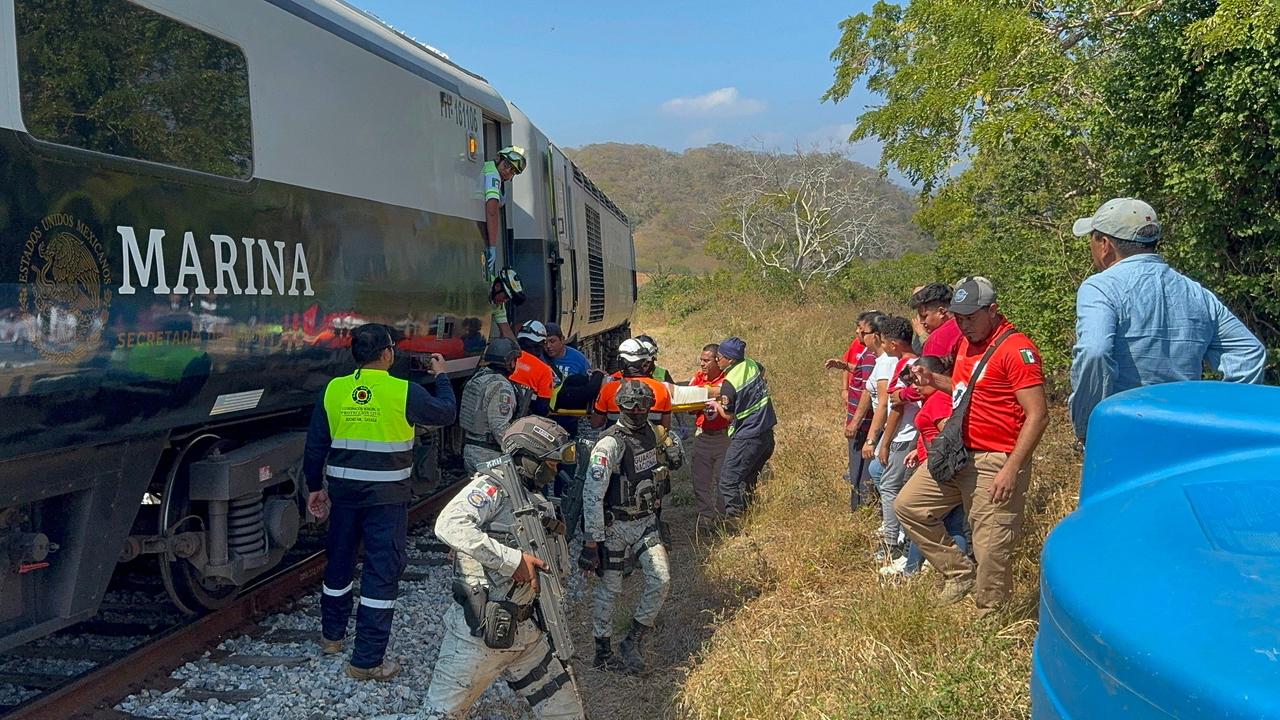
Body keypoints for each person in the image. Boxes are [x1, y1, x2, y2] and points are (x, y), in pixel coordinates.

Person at [302, 323, 456, 680]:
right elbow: (446, 413)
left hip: (343, 494)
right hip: (386, 499)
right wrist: (443, 376)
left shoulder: (334, 390)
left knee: (338, 562)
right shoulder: (404, 392)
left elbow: (315, 447)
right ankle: (367, 660)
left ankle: (332, 637)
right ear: (387, 354)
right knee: (381, 570)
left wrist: (314, 487)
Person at [896, 277, 1049, 610]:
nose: (963, 325)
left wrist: (1012, 468)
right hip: (960, 453)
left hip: (997, 458)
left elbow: (1038, 415)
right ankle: (959, 573)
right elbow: (968, 392)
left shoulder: (1016, 350)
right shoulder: (966, 344)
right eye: (959, 317)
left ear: (992, 311)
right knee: (909, 506)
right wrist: (933, 380)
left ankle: (991, 618)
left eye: (970, 317)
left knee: (991, 546)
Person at [424, 417, 585, 718]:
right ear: (529, 458)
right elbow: (449, 524)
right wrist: (512, 562)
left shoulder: (532, 495)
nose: (555, 470)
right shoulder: (492, 486)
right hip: (481, 633)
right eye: (550, 462)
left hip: (526, 632)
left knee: (565, 712)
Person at [1069, 197, 1266, 440]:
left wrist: (1089, 426)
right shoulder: (1195, 292)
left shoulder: (1100, 288)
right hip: (1184, 432)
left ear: (1105, 244)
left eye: (1092, 238)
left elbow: (1094, 352)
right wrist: (1227, 420)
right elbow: (1249, 352)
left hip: (1124, 433)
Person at [579, 380, 682, 673]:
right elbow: (592, 492)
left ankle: (633, 638)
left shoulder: (655, 434)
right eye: (630, 406)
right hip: (615, 527)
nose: (636, 411)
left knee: (660, 580)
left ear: (650, 407)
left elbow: (671, 460)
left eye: (642, 406)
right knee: (610, 590)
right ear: (618, 407)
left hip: (646, 522)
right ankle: (602, 651)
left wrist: (674, 455)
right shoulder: (610, 444)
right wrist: (591, 543)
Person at [899, 356, 969, 576]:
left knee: (932, 520)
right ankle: (919, 569)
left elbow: (947, 437)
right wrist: (917, 450)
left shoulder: (939, 400)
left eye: (918, 381)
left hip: (941, 471)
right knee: (943, 522)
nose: (914, 386)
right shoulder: (936, 399)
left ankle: (953, 573)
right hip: (936, 465)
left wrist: (933, 460)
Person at [707, 337, 777, 519]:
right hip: (767, 434)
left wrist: (717, 406)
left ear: (730, 360)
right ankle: (750, 515)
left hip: (748, 436)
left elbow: (729, 416)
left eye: (719, 357)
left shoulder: (729, 384)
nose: (716, 360)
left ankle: (735, 521)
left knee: (728, 480)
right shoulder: (751, 364)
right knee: (748, 478)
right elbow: (762, 371)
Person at [871, 316, 920, 572]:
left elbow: (897, 408)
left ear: (891, 343)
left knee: (891, 487)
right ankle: (900, 538)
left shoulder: (907, 367)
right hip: (909, 435)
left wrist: (886, 442)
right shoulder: (916, 363)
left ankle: (893, 542)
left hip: (904, 436)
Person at [825, 312, 880, 511]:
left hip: (863, 425)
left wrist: (855, 423)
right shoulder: (869, 354)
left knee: (860, 470)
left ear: (876, 334)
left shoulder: (872, 357)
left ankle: (861, 510)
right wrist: (845, 366)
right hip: (864, 423)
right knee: (858, 468)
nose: (858, 332)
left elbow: (868, 391)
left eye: (862, 330)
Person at [460, 338, 528, 473]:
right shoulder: (501, 386)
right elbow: (499, 426)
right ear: (509, 361)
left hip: (470, 449)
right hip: (489, 454)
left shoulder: (477, 378)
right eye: (514, 360)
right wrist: (520, 449)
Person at [483, 147, 527, 341]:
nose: (508, 171)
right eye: (507, 165)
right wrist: (492, 245)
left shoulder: (497, 300)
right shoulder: (491, 174)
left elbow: (506, 331)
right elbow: (491, 210)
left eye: (512, 171)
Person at [591, 339, 673, 429]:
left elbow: (596, 423)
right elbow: (666, 427)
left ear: (622, 362)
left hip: (617, 441)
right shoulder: (661, 389)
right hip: (652, 441)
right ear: (645, 362)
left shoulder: (609, 388)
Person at [690, 343, 731, 520]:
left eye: (707, 360)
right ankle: (706, 517)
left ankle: (723, 517)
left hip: (724, 437)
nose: (702, 364)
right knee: (700, 481)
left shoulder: (728, 379)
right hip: (703, 436)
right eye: (701, 360)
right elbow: (689, 406)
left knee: (724, 480)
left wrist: (707, 393)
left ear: (717, 360)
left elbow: (729, 393)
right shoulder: (697, 378)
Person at [911, 283, 963, 370]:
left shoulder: (937, 340)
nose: (921, 322)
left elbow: (929, 378)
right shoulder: (968, 325)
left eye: (924, 316)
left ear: (941, 312)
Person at [509, 320, 555, 416]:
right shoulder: (544, 370)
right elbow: (542, 409)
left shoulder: (506, 358)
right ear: (541, 344)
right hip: (522, 420)